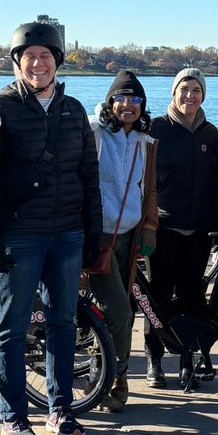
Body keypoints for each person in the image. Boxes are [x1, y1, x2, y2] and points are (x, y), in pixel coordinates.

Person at [0, 21, 102, 435]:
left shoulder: (74, 110)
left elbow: (89, 176)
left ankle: (59, 409)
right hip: (20, 233)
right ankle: (13, 416)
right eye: (30, 57)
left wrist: (92, 233)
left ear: (58, 61)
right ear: (17, 63)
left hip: (67, 232)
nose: (38, 64)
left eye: (46, 56)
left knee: (63, 321)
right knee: (13, 325)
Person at [147, 67, 218, 387]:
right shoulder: (156, 129)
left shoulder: (209, 133)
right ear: (174, 92)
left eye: (196, 90)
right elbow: (144, 178)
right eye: (184, 89)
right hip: (165, 227)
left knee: (192, 296)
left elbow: (215, 182)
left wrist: (217, 222)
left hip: (199, 230)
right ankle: (154, 359)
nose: (190, 96)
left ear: (203, 95)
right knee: (158, 297)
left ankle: (186, 359)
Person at [87, 70, 159, 410]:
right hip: (98, 238)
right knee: (117, 310)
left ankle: (105, 373)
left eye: (135, 100)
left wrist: (150, 228)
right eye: (121, 98)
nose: (128, 105)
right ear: (110, 101)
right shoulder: (95, 133)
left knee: (118, 309)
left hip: (130, 238)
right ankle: (114, 376)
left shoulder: (146, 141)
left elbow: (150, 190)